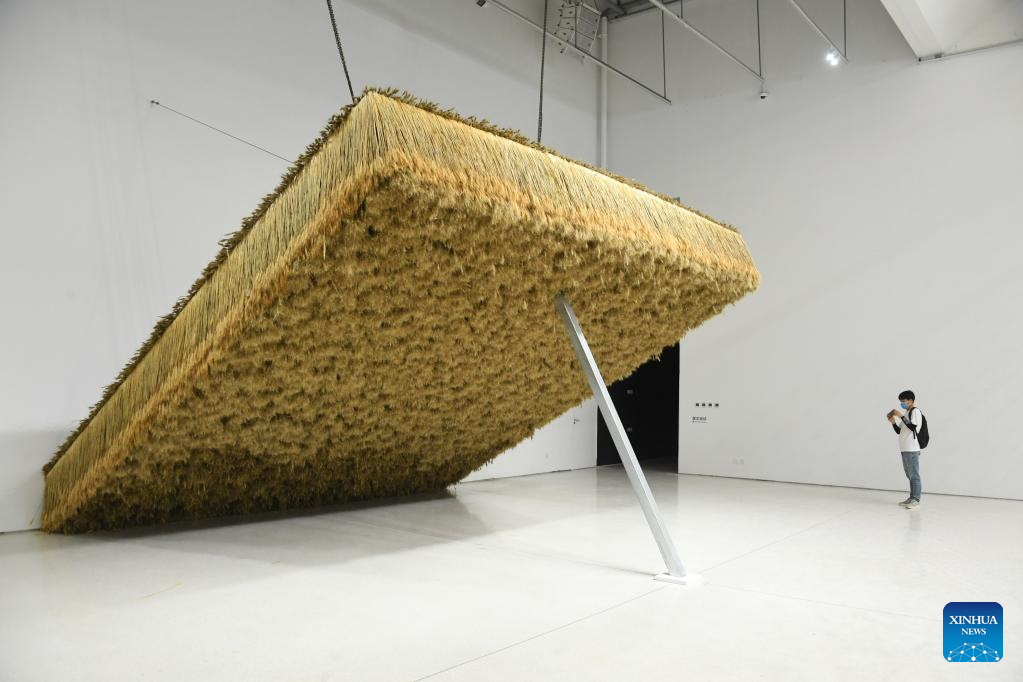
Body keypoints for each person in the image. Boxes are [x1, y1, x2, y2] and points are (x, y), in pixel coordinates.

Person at [887, 390, 922, 509]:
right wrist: (893, 422)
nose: (902, 403)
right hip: (905, 449)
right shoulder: (907, 413)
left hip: (912, 449)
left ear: (911, 400)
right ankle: (912, 498)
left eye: (903, 401)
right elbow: (899, 431)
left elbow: (913, 427)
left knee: (914, 475)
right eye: (901, 401)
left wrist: (900, 415)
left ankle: (916, 500)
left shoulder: (915, 412)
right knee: (910, 475)